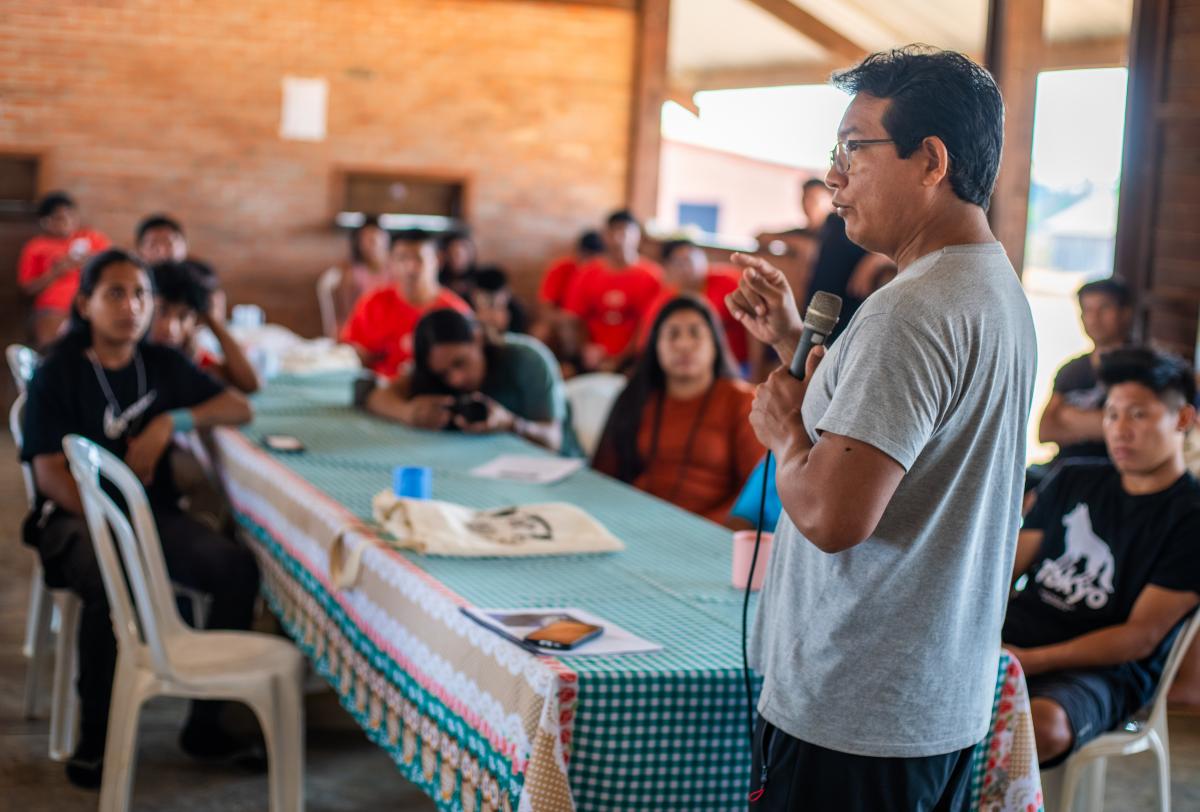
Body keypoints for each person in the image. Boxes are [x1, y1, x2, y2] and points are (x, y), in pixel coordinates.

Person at [729, 47, 1036, 809]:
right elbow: (910, 444)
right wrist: (789, 341)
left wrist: (784, 434)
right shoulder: (992, 285)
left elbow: (836, 515)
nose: (834, 175)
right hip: (932, 696)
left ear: (930, 160)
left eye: (852, 149)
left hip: (856, 710)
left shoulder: (908, 310)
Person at [18, 249, 260, 788]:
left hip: (151, 517)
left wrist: (170, 421)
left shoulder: (163, 364)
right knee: (113, 582)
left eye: (142, 294)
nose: (131, 306)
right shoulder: (59, 372)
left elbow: (239, 405)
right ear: (85, 303)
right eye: (115, 293)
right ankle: (97, 737)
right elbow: (52, 474)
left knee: (236, 569)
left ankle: (205, 724)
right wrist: (120, 527)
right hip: (75, 519)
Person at [1004, 348, 1200, 767]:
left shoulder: (1191, 516)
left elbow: (1139, 636)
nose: (1120, 430)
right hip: (1020, 632)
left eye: (1138, 415)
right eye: (1112, 414)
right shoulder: (1073, 478)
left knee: (1040, 726)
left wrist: (1027, 661)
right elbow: (1005, 571)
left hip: (1107, 668)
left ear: (1182, 419)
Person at [593, 297, 762, 524]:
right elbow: (604, 476)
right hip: (636, 523)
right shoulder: (637, 397)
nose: (683, 345)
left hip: (712, 535)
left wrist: (700, 530)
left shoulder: (742, 402)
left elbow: (755, 496)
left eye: (695, 333)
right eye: (672, 335)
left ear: (715, 344)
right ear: (656, 347)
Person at [364, 308, 578, 455]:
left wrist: (510, 424)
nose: (456, 379)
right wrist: (408, 412)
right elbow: (376, 396)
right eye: (443, 374)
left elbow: (553, 441)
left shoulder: (528, 360)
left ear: (478, 337)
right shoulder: (433, 369)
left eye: (460, 363)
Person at [340, 229, 472, 378]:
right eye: (402, 259)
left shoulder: (456, 313)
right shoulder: (373, 302)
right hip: (376, 391)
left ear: (438, 260)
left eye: (418, 259)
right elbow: (350, 351)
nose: (410, 268)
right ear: (391, 262)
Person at [1038, 278, 1134, 464]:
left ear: (1125, 313)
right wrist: (1100, 425)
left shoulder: (1141, 367)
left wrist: (1069, 416)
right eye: (1088, 310)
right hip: (1063, 467)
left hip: (1111, 471)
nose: (1095, 318)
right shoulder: (1070, 370)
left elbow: (1132, 431)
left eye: (1104, 308)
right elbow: (1044, 431)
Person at [562, 210, 664, 373]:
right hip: (591, 358)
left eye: (625, 231)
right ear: (604, 235)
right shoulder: (587, 273)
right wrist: (584, 349)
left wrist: (620, 359)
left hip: (634, 360)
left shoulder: (652, 276)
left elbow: (647, 325)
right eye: (613, 231)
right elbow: (575, 318)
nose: (619, 238)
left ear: (638, 236)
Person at [149, 259, 261, 394]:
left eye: (183, 316)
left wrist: (212, 320)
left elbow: (250, 384)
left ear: (196, 321)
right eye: (162, 311)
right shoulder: (129, 357)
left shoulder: (194, 362)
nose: (170, 328)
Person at [17, 192, 111, 349]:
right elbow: (27, 288)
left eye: (71, 215)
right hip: (53, 309)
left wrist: (91, 261)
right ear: (45, 222)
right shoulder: (36, 247)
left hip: (94, 307)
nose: (68, 221)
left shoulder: (92, 238)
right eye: (60, 217)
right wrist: (55, 272)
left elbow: (115, 264)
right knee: (54, 348)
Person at [641, 240, 752, 370]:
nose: (689, 267)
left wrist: (756, 371)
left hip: (740, 365)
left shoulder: (729, 282)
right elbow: (646, 343)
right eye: (680, 263)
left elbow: (755, 324)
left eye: (692, 259)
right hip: (691, 369)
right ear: (668, 269)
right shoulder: (666, 301)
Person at [532, 229, 605, 373]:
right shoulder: (561, 269)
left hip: (590, 324)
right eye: (586, 257)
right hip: (565, 323)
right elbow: (545, 308)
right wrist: (565, 320)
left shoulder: (602, 274)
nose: (589, 264)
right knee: (544, 331)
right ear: (578, 253)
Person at [755, 178, 835, 300]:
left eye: (813, 199)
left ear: (829, 201)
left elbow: (811, 247)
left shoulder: (836, 231)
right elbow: (761, 236)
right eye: (805, 198)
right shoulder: (800, 232)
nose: (807, 204)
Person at [328, 215, 390, 338]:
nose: (371, 245)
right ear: (358, 244)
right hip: (364, 324)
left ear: (385, 239)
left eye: (374, 239)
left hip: (391, 322)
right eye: (365, 240)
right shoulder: (352, 273)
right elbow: (347, 313)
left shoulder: (397, 268)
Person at [471, 265, 529, 335]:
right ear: (474, 295)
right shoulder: (468, 309)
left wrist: (503, 328)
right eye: (486, 298)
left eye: (495, 297)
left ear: (507, 294)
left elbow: (518, 339)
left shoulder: (516, 311)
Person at [438, 230, 478, 300]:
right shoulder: (438, 280)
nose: (455, 258)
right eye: (451, 253)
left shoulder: (478, 279)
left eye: (459, 254)